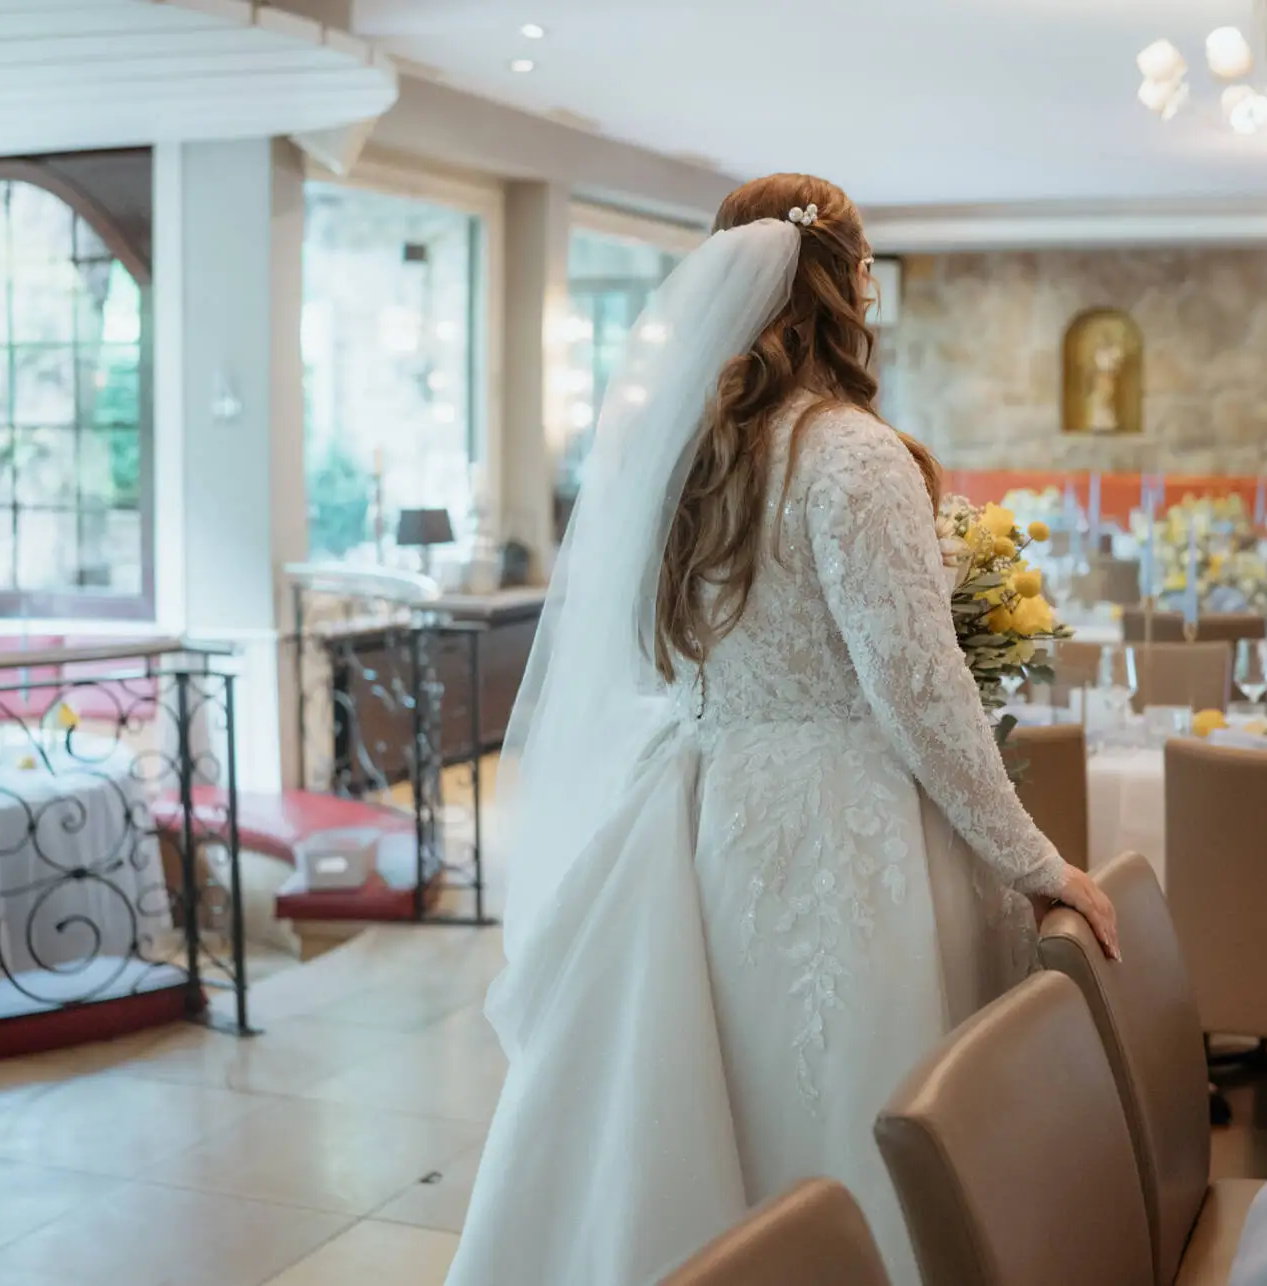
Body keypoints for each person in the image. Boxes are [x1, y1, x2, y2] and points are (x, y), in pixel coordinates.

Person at [444, 173, 1119, 1286]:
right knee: (840, 1110)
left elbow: (656, 650)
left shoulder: (686, 453)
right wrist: (1037, 859)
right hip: (840, 830)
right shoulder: (850, 453)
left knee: (698, 1111)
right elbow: (921, 692)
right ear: (852, 284)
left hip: (700, 806)